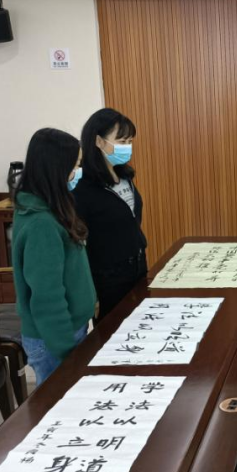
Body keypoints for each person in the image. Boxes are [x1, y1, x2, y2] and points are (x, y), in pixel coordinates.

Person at [12, 128, 96, 386]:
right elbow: (47, 297)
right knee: (57, 401)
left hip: (67, 329)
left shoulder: (49, 206)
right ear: (56, 169)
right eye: (75, 166)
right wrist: (65, 349)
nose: (78, 172)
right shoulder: (42, 224)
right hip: (54, 338)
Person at [74, 108, 147, 321]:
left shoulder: (124, 176)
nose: (127, 147)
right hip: (107, 278)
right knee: (113, 331)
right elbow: (79, 243)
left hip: (138, 267)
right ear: (98, 141)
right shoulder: (82, 186)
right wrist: (91, 293)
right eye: (121, 141)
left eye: (130, 141)